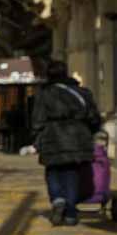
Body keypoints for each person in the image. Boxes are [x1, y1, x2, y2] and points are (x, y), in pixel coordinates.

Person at [31, 60, 102, 226]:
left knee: (53, 170)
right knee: (72, 173)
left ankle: (57, 199)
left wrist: (36, 137)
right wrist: (88, 132)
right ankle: (70, 213)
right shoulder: (83, 92)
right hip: (78, 137)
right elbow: (94, 118)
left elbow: (37, 120)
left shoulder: (44, 94)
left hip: (52, 137)